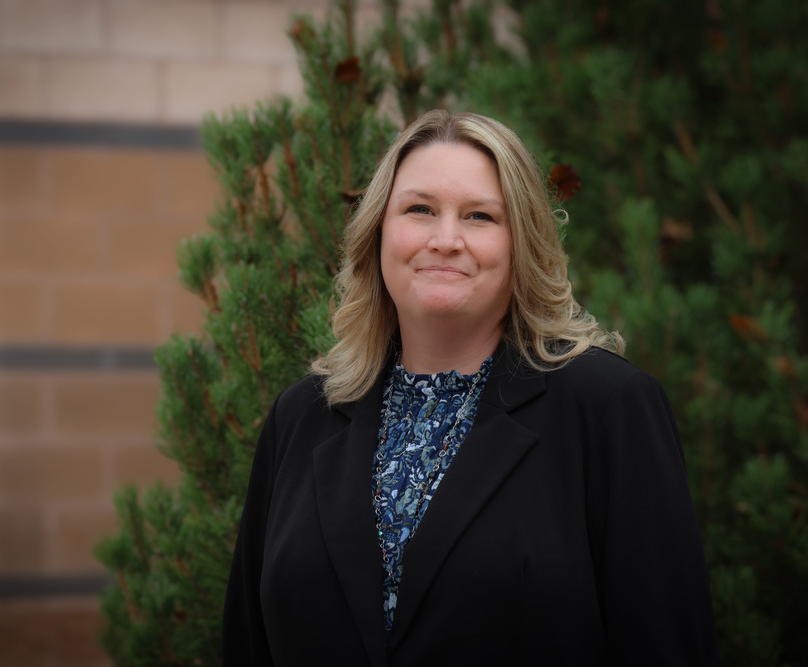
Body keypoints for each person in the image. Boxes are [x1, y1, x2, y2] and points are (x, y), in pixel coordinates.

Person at [222, 109, 717, 666]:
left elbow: (668, 645)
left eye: (480, 216)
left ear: (520, 243)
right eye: (419, 209)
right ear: (378, 233)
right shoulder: (302, 416)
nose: (446, 239)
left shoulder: (608, 408)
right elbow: (248, 643)